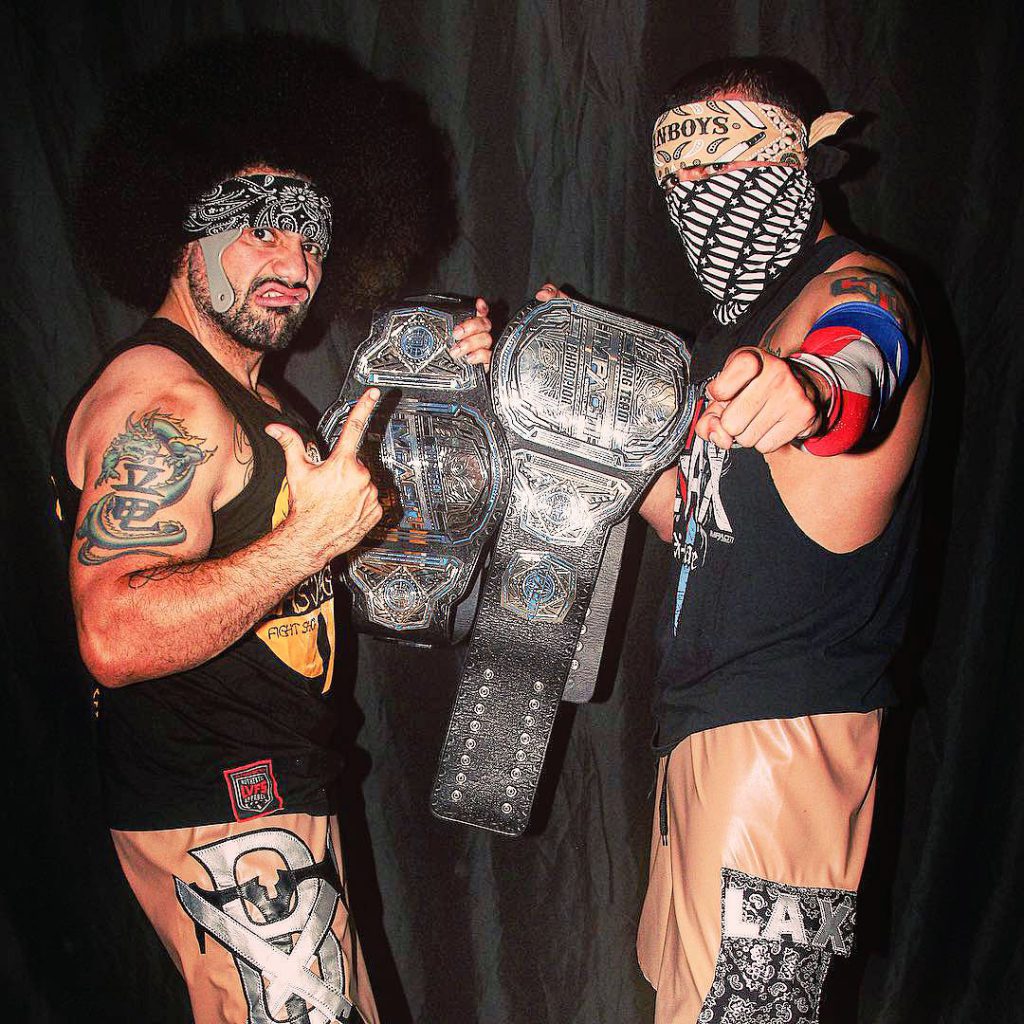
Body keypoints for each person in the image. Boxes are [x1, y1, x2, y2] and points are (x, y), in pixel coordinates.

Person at [51, 40, 493, 1024]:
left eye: (315, 239)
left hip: (265, 806)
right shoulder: (164, 401)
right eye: (258, 232)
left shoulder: (257, 403)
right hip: (227, 823)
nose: (296, 265)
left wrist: (467, 396)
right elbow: (114, 633)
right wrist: (307, 540)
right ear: (182, 230)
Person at [538, 56, 930, 1023]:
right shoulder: (737, 341)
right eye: (681, 172)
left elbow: (868, 350)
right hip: (710, 737)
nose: (701, 189)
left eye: (726, 161)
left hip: (784, 748)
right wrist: (585, 398)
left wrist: (817, 389)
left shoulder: (855, 287)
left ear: (804, 159)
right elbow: (696, 522)